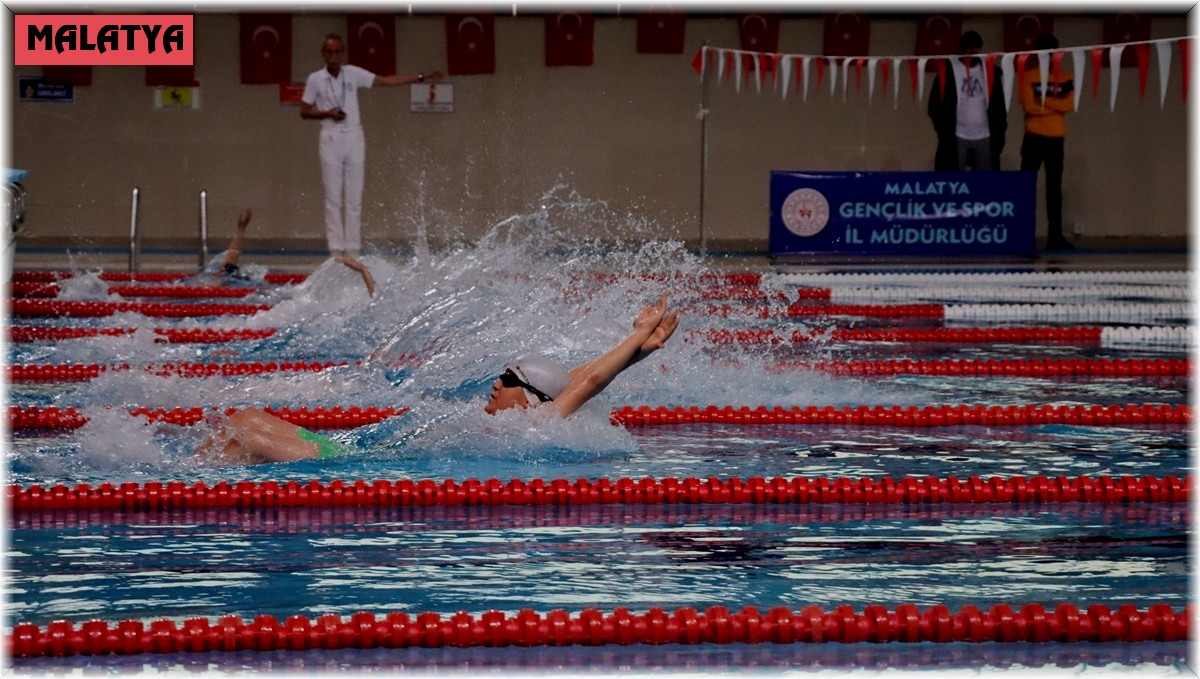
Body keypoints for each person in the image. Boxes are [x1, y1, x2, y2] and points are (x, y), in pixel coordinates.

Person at [194, 295, 680, 465]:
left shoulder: (536, 425)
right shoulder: (532, 410)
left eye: (509, 378)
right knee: (242, 426)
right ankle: (203, 480)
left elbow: (586, 382)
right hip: (364, 452)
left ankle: (184, 482)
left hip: (361, 469)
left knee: (244, 427)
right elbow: (573, 377)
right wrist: (638, 348)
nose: (496, 382)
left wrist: (638, 332)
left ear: (528, 398)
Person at [300, 33, 444, 257]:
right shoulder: (315, 79)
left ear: (343, 53)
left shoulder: (353, 73)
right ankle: (336, 249)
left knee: (354, 196)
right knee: (333, 197)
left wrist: (421, 76)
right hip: (330, 136)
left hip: (354, 135)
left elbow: (385, 81)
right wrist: (326, 113)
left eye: (338, 51)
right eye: (329, 51)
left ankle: (353, 248)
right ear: (323, 53)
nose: (334, 56)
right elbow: (304, 111)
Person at [1019, 33, 1075, 251]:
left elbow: (1069, 104)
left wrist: (1043, 102)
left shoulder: (1066, 76)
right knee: (1026, 188)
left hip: (1056, 138)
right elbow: (1028, 106)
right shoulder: (1029, 75)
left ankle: (1055, 236)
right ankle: (1024, 234)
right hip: (1033, 136)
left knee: (1054, 189)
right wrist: (1054, 103)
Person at [927, 30, 1007, 172]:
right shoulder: (949, 71)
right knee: (955, 184)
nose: (972, 51)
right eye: (968, 47)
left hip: (985, 135)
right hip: (956, 136)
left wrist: (1000, 133)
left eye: (976, 47)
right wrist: (944, 132)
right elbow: (934, 106)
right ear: (961, 49)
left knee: (984, 185)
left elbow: (999, 107)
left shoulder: (992, 72)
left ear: (981, 48)